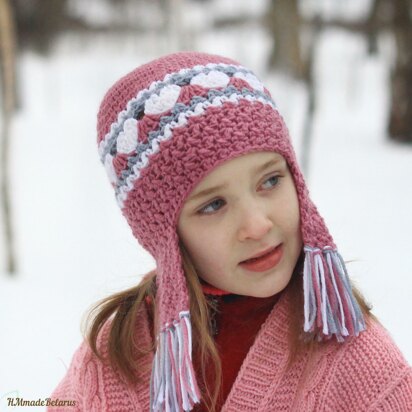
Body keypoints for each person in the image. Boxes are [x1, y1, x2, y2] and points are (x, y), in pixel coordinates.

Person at [48, 51, 412, 411]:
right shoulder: (115, 353)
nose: (257, 225)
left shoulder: (356, 360)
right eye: (213, 205)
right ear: (163, 234)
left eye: (270, 180)